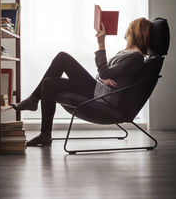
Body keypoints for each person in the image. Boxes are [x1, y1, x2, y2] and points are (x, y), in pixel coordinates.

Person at [12, 17, 152, 146]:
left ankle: (33, 99)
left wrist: (101, 43)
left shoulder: (136, 58)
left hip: (103, 96)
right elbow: (104, 73)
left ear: (135, 32)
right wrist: (104, 77)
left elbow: (104, 71)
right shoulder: (127, 53)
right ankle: (45, 135)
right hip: (99, 88)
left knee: (63, 58)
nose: (126, 33)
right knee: (49, 83)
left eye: (129, 28)